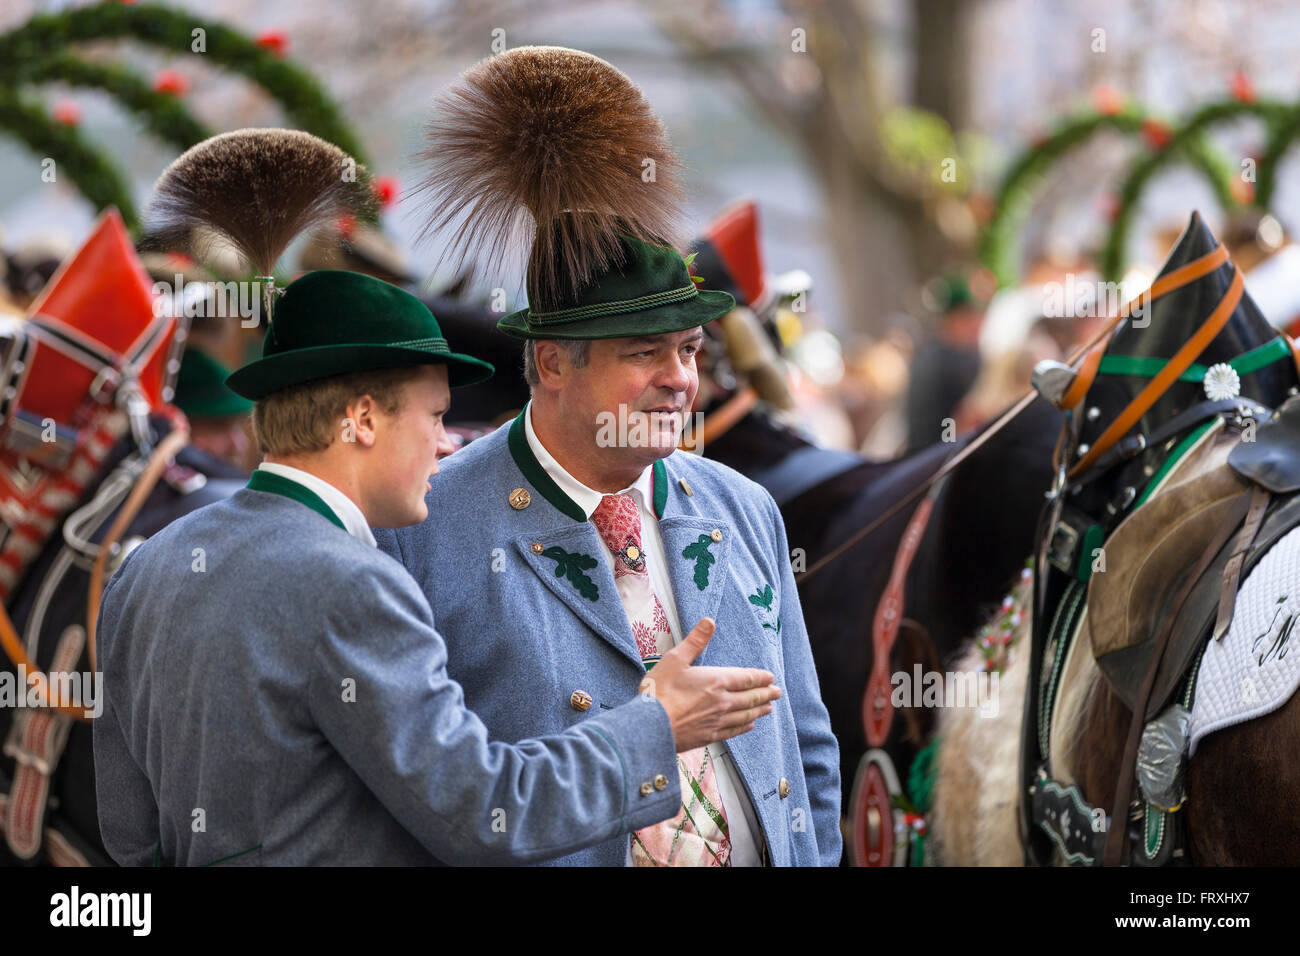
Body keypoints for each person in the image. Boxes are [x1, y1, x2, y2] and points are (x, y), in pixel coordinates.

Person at [93, 129, 780, 866]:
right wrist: (658, 721)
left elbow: (128, 834)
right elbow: (484, 813)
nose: (445, 441)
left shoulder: (149, 564)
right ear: (360, 418)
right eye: (430, 415)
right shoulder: (356, 585)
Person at [379, 46, 840, 867]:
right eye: (643, 354)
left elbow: (807, 748)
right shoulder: (424, 527)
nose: (679, 381)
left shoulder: (743, 507)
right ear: (553, 364)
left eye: (691, 350)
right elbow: (426, 798)